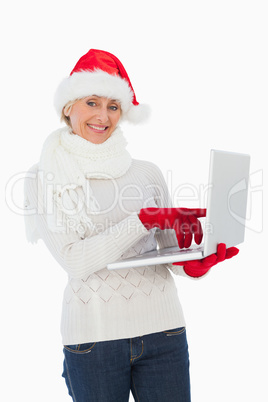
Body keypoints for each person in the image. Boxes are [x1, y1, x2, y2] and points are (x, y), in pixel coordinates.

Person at [24, 49, 238, 402]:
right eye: (91, 102)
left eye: (112, 106)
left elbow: (169, 254)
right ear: (67, 107)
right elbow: (75, 261)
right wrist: (140, 220)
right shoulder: (45, 177)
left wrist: (196, 263)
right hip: (93, 340)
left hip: (164, 332)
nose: (102, 116)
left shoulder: (147, 173)